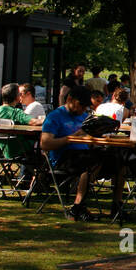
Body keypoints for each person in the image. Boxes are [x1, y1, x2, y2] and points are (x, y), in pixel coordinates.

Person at [40, 85, 115, 221]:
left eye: (85, 107)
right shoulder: (55, 117)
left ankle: (117, 207)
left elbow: (90, 140)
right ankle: (77, 207)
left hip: (84, 155)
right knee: (91, 162)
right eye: (81, 105)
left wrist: (100, 138)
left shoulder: (85, 117)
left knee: (119, 159)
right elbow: (45, 144)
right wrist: (71, 138)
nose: (82, 110)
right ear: (70, 99)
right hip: (63, 159)